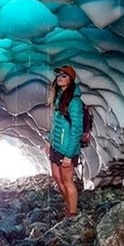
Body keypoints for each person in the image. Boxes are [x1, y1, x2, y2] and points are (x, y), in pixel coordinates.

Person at [47, 65, 84, 217]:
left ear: (71, 80)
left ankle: (73, 213)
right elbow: (55, 124)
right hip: (56, 146)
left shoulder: (74, 102)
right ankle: (68, 206)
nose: (60, 78)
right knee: (57, 177)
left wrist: (69, 155)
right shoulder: (59, 98)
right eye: (59, 75)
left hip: (67, 148)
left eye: (64, 76)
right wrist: (49, 142)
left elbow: (77, 130)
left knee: (67, 181)